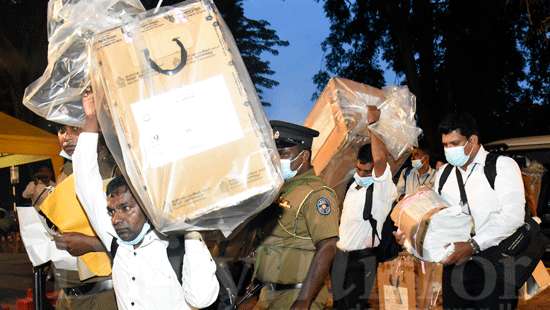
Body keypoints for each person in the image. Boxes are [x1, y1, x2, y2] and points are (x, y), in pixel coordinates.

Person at [72, 93, 219, 309]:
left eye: (125, 208)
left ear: (147, 207)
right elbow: (85, 182)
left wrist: (192, 232)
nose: (116, 219)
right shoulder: (115, 241)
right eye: (112, 211)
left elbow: (201, 299)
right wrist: (91, 119)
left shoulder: (176, 245)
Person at [396, 112, 525, 309]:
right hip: (455, 268)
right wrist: (411, 239)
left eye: (454, 143)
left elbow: (512, 217)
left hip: (495, 265)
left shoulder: (501, 167)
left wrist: (473, 245)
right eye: (445, 145)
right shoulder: (444, 174)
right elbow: (436, 221)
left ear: (472, 140)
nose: (449, 150)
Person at [252, 120, 339, 310]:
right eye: (276, 154)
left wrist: (304, 300)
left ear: (303, 156)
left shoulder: (317, 194)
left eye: (284, 154)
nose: (278, 159)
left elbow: (328, 247)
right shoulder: (280, 190)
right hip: (268, 294)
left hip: (296, 296)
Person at [331, 107, 397, 309]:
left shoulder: (383, 187)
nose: (361, 173)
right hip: (341, 258)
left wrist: (373, 125)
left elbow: (379, 160)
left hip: (362, 260)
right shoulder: (354, 185)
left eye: (366, 171)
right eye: (358, 169)